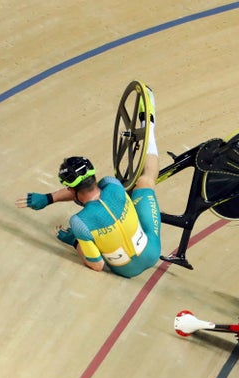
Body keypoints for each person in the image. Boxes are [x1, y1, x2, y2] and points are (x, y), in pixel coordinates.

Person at [15, 87, 162, 278]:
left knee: (95, 241)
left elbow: (98, 265)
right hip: (151, 252)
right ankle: (148, 127)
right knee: (144, 181)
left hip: (126, 270)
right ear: (94, 176)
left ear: (69, 188)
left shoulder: (79, 223)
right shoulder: (112, 185)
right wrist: (49, 198)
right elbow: (81, 190)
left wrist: (75, 243)